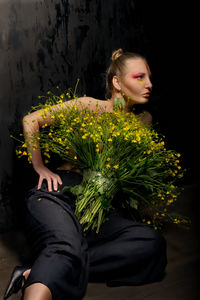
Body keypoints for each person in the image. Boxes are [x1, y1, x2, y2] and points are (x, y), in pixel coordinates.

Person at [4, 48, 167, 300]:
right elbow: (31, 120)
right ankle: (56, 265)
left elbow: (131, 173)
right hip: (58, 194)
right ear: (117, 82)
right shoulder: (89, 107)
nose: (149, 84)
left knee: (150, 242)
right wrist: (40, 166)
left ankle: (38, 271)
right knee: (64, 248)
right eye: (139, 77)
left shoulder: (143, 121)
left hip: (96, 208)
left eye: (149, 77)